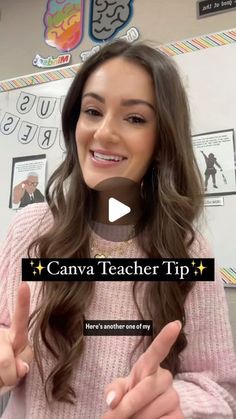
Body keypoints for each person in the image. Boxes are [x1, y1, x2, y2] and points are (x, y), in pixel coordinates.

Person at [0, 40, 236, 419]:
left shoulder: (189, 253)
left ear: (161, 142)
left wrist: (177, 402)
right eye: (92, 111)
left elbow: (219, 389)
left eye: (135, 118)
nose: (105, 132)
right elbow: (6, 333)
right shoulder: (31, 226)